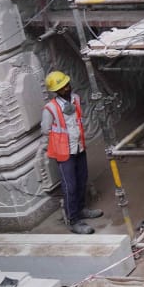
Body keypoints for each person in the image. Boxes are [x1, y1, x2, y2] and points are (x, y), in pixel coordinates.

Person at [41, 71, 103, 234]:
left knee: (82, 179)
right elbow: (46, 130)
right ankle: (73, 220)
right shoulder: (51, 108)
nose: (67, 88)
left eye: (67, 85)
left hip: (79, 147)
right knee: (70, 186)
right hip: (64, 152)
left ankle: (82, 209)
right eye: (62, 87)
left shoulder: (75, 99)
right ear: (56, 91)